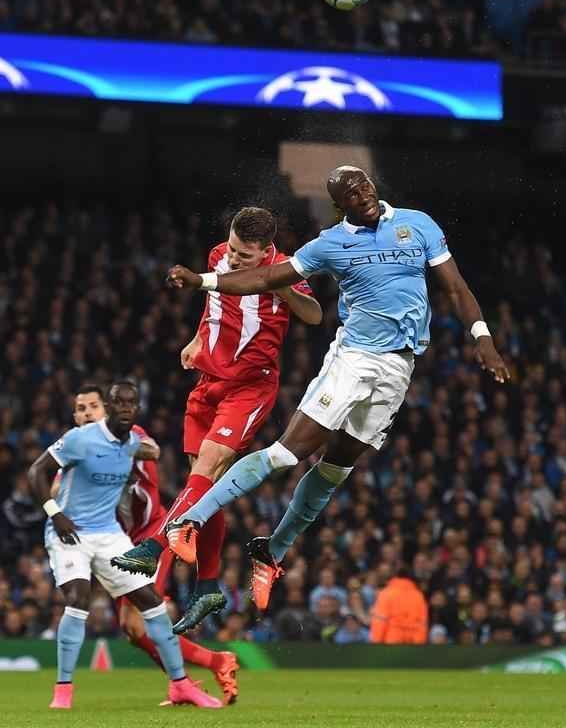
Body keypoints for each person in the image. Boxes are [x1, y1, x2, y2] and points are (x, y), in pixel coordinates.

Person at [162, 165, 510, 626]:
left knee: (334, 471)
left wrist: (482, 338)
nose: (361, 193)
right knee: (289, 453)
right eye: (349, 191)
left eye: (363, 184)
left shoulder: (418, 224)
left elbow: (456, 288)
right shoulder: (329, 243)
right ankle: (190, 520)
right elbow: (266, 279)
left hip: (399, 367)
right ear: (339, 204)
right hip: (354, 359)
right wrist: (203, 280)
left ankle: (272, 550)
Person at [111, 206, 322, 632]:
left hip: (249, 387)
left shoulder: (286, 270)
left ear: (266, 252)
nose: (234, 258)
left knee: (206, 469)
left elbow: (314, 315)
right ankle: (207, 584)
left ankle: (154, 545)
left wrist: (282, 290)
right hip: (208, 382)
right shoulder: (216, 257)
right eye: (232, 247)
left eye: (245, 256)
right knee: (204, 485)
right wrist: (195, 339)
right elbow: (213, 306)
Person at [28, 381, 221, 710]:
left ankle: (181, 686)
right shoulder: (80, 439)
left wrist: (152, 452)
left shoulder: (132, 443)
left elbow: (148, 450)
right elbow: (36, 473)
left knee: (152, 601)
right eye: (120, 403)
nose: (126, 408)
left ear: (137, 409)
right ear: (110, 406)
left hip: (109, 534)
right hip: (69, 532)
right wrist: (55, 514)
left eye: (132, 403)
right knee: (78, 597)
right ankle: (63, 692)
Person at [369, 566, 428, 644]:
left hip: (392, 641)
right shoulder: (419, 596)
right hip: (413, 642)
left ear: (395, 577)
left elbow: (379, 621)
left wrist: (376, 642)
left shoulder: (386, 593)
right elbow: (422, 624)